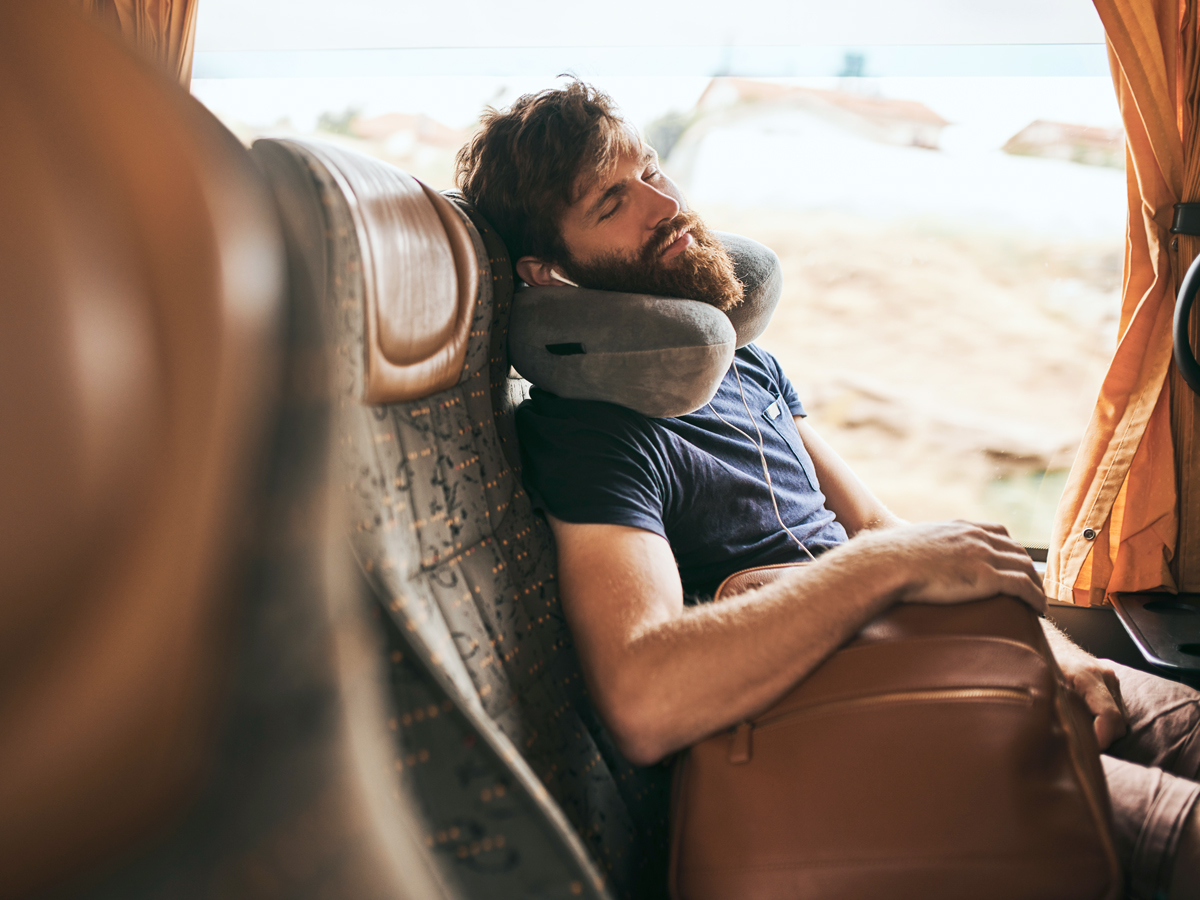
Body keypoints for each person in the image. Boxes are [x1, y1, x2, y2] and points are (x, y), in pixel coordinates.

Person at [456, 79, 1200, 899]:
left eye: (653, 168)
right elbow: (644, 693)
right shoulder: (589, 432)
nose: (663, 202)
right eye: (611, 202)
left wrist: (1051, 652)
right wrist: (886, 568)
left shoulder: (746, 367)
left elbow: (878, 526)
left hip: (940, 660)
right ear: (548, 274)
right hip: (850, 733)